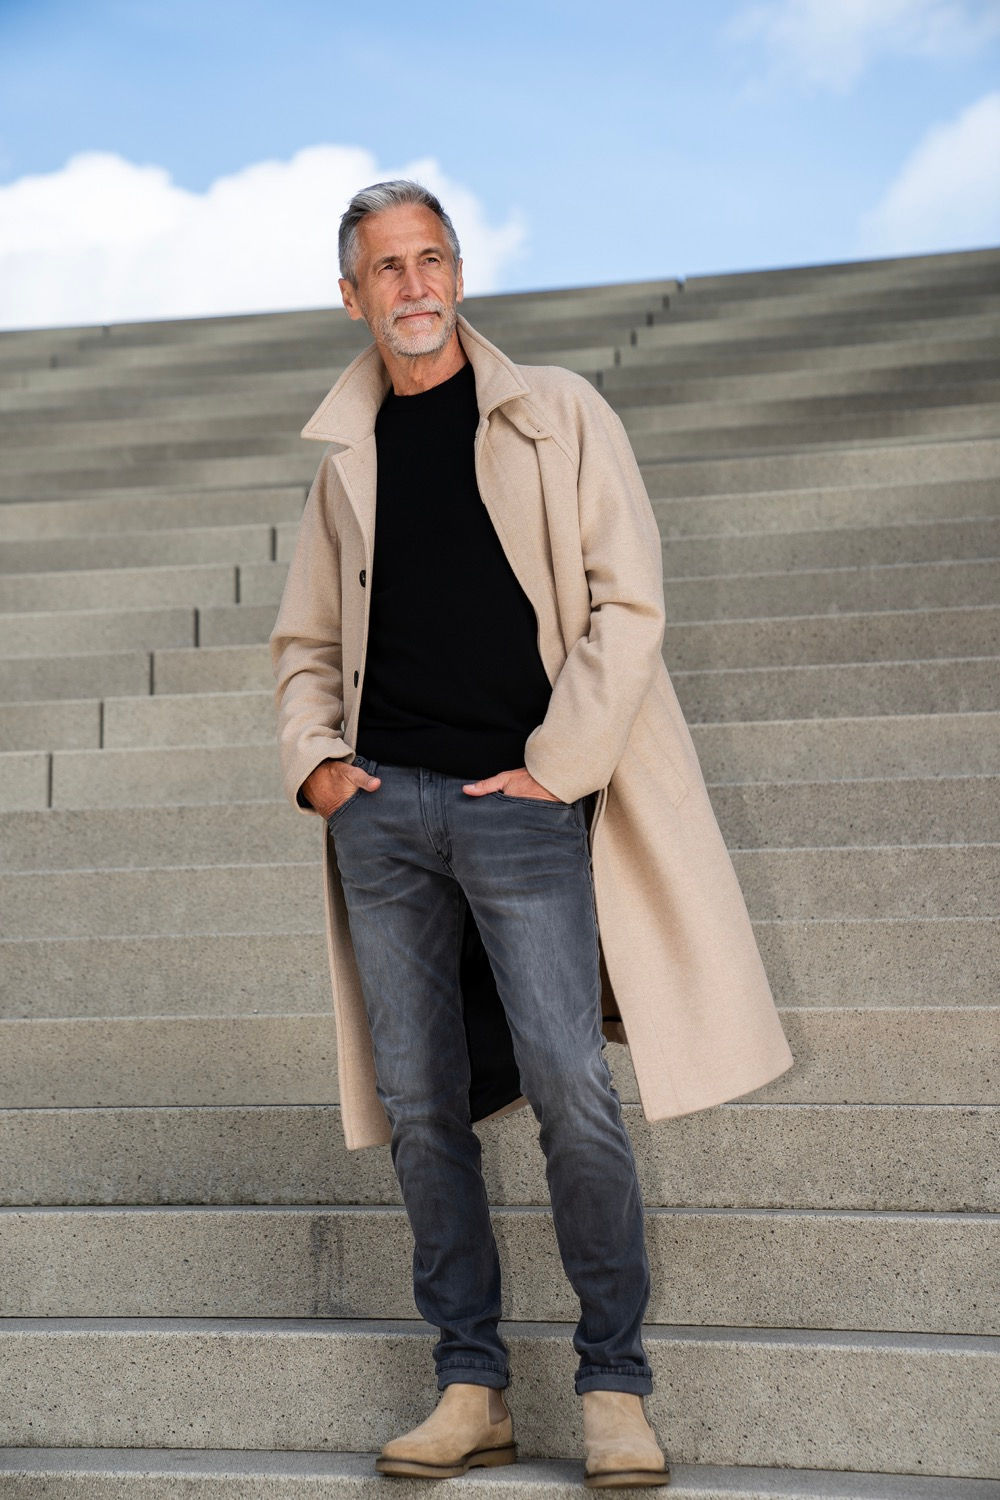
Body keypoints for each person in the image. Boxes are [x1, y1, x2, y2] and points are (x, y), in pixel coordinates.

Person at [269, 179, 793, 1486]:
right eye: (386, 267)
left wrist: (556, 771)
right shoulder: (345, 459)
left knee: (571, 1089)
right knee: (422, 1108)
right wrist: (321, 768)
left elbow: (629, 603)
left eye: (430, 258)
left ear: (458, 273)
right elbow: (306, 643)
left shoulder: (558, 411)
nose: (413, 285)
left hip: (523, 806)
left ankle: (615, 1387)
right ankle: (471, 1386)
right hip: (385, 814)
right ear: (352, 295)